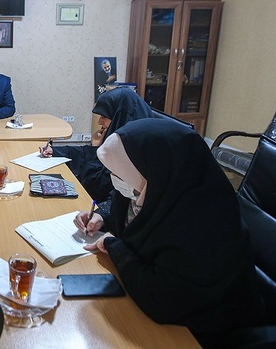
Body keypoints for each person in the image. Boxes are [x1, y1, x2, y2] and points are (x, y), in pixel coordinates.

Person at [74, 119, 265, 347]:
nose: (116, 180)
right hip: (156, 307)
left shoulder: (203, 222)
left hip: (207, 331)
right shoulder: (156, 186)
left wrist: (114, 246)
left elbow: (160, 299)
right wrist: (101, 216)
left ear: (155, 169)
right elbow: (120, 200)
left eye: (121, 174)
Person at [40, 87, 153, 202]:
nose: (99, 121)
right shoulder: (122, 129)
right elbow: (84, 153)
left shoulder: (129, 148)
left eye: (104, 117)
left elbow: (94, 188)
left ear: (119, 116)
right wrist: (54, 151)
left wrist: (96, 149)